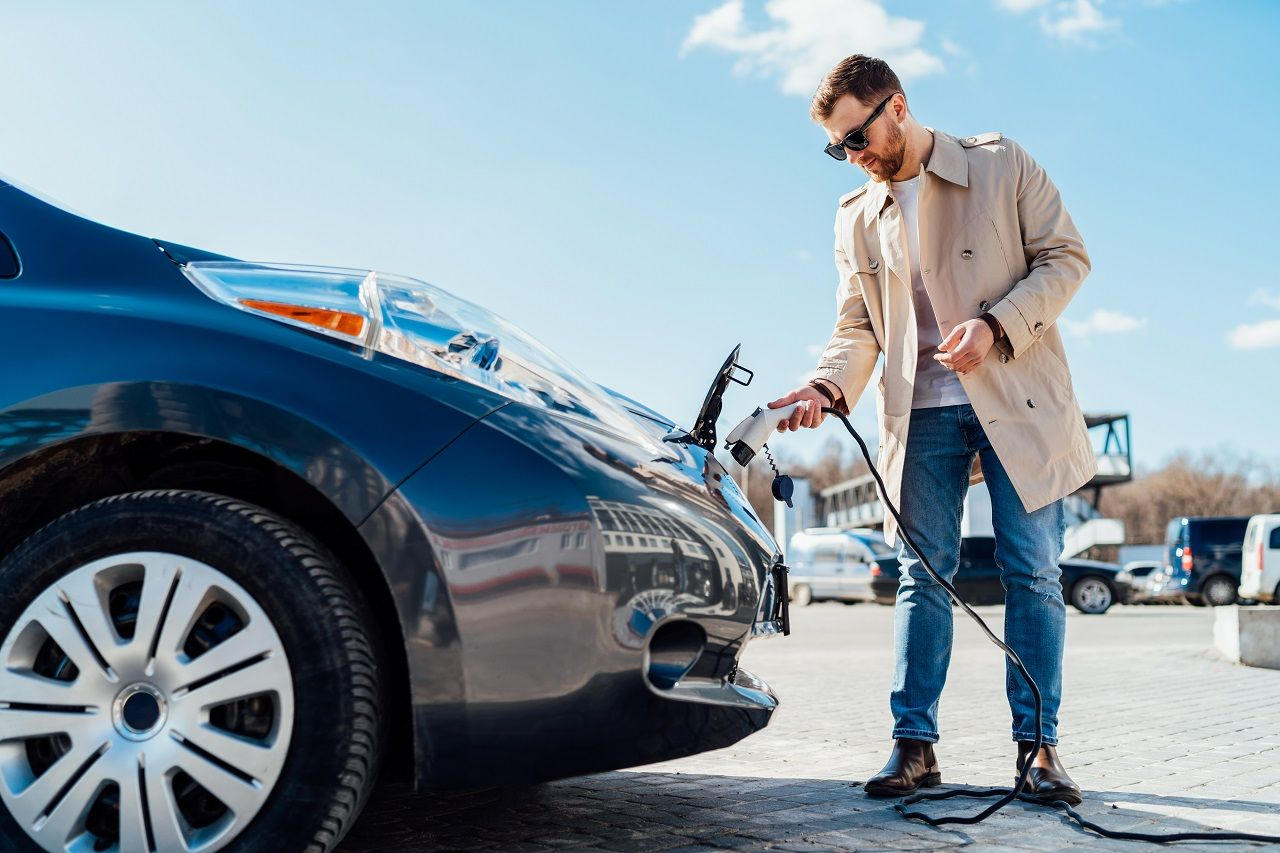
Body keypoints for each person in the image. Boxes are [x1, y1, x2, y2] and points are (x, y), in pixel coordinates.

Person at [766, 54, 1096, 805]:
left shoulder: (1000, 162)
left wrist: (996, 325)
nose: (853, 155)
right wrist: (827, 384)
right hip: (918, 411)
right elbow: (857, 325)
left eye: (857, 137)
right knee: (922, 575)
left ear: (898, 106)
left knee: (1033, 572)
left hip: (1017, 394)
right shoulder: (855, 215)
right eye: (838, 148)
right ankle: (913, 746)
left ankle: (1039, 749)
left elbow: (1065, 257)